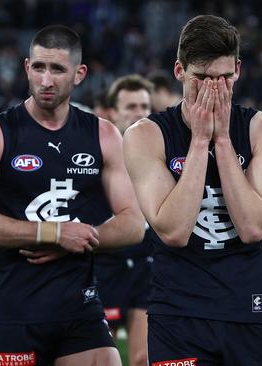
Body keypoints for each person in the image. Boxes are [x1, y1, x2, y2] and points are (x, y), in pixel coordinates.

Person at [0, 25, 145, 366]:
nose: (46, 80)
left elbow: (132, 223)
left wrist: (81, 237)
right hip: (14, 312)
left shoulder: (102, 134)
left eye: (57, 69)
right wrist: (54, 233)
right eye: (39, 67)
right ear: (27, 67)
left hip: (80, 309)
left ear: (79, 74)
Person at [124, 15, 262, 365]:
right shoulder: (145, 135)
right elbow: (173, 231)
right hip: (178, 311)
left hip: (247, 307)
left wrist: (223, 140)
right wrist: (200, 142)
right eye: (201, 78)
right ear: (180, 71)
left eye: (224, 77)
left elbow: (253, 227)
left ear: (239, 70)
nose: (214, 89)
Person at [94, 74, 153, 366]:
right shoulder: (96, 155)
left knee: (143, 358)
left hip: (146, 261)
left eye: (144, 106)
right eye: (130, 107)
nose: (139, 113)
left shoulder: (161, 154)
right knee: (105, 355)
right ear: (113, 112)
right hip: (109, 262)